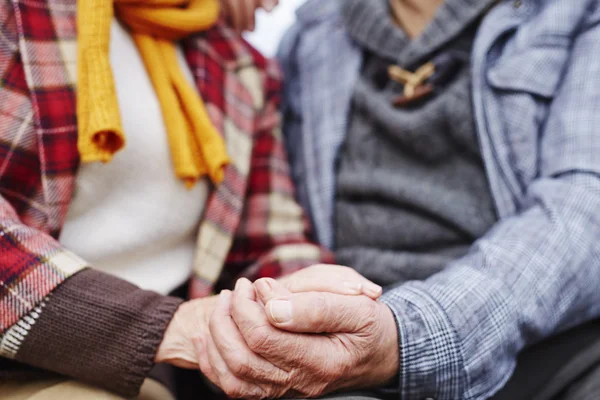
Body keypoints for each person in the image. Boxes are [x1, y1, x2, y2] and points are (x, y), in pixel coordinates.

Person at [192, 0, 600, 399]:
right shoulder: (307, 40)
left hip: (550, 350)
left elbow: (582, 210)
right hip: (343, 356)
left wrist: (406, 335)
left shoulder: (578, 14)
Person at [0, 0, 385, 399]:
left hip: (156, 368)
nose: (273, 4)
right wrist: (166, 325)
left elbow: (268, 240)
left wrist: (309, 306)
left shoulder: (241, 66)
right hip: (26, 360)